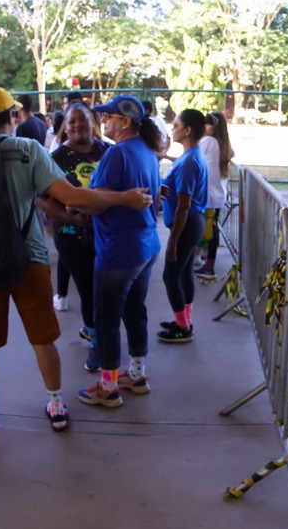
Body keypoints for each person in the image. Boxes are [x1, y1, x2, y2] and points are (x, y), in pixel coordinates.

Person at [0, 88, 152, 434]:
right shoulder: (29, 150)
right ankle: (56, 407)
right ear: (12, 116)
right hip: (30, 259)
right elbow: (71, 196)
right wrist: (124, 198)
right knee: (42, 339)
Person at [75, 95, 162, 408]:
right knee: (135, 310)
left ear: (125, 122)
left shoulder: (117, 153)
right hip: (145, 246)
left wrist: (79, 201)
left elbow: (95, 201)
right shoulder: (147, 150)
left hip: (119, 250)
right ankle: (137, 375)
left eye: (108, 116)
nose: (103, 121)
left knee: (107, 319)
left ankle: (108, 387)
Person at [37, 103, 109, 354]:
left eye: (83, 119)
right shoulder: (55, 158)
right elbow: (42, 200)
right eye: (72, 121)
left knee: (107, 288)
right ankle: (96, 340)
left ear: (92, 122)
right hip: (72, 237)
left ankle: (98, 330)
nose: (78, 124)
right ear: (65, 129)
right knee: (88, 288)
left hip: (109, 234)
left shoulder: (109, 151)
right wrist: (75, 220)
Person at [157, 109, 208, 344]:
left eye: (176, 125)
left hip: (187, 224)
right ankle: (184, 320)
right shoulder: (191, 155)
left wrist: (173, 242)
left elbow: (184, 206)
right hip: (192, 223)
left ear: (187, 130)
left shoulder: (189, 161)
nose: (172, 128)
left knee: (170, 276)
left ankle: (182, 328)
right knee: (184, 273)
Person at [196, 111, 234, 281]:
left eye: (208, 123)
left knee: (207, 230)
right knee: (212, 230)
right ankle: (208, 264)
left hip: (208, 196)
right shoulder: (224, 143)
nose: (205, 126)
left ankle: (208, 267)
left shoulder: (208, 141)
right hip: (217, 195)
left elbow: (193, 157)